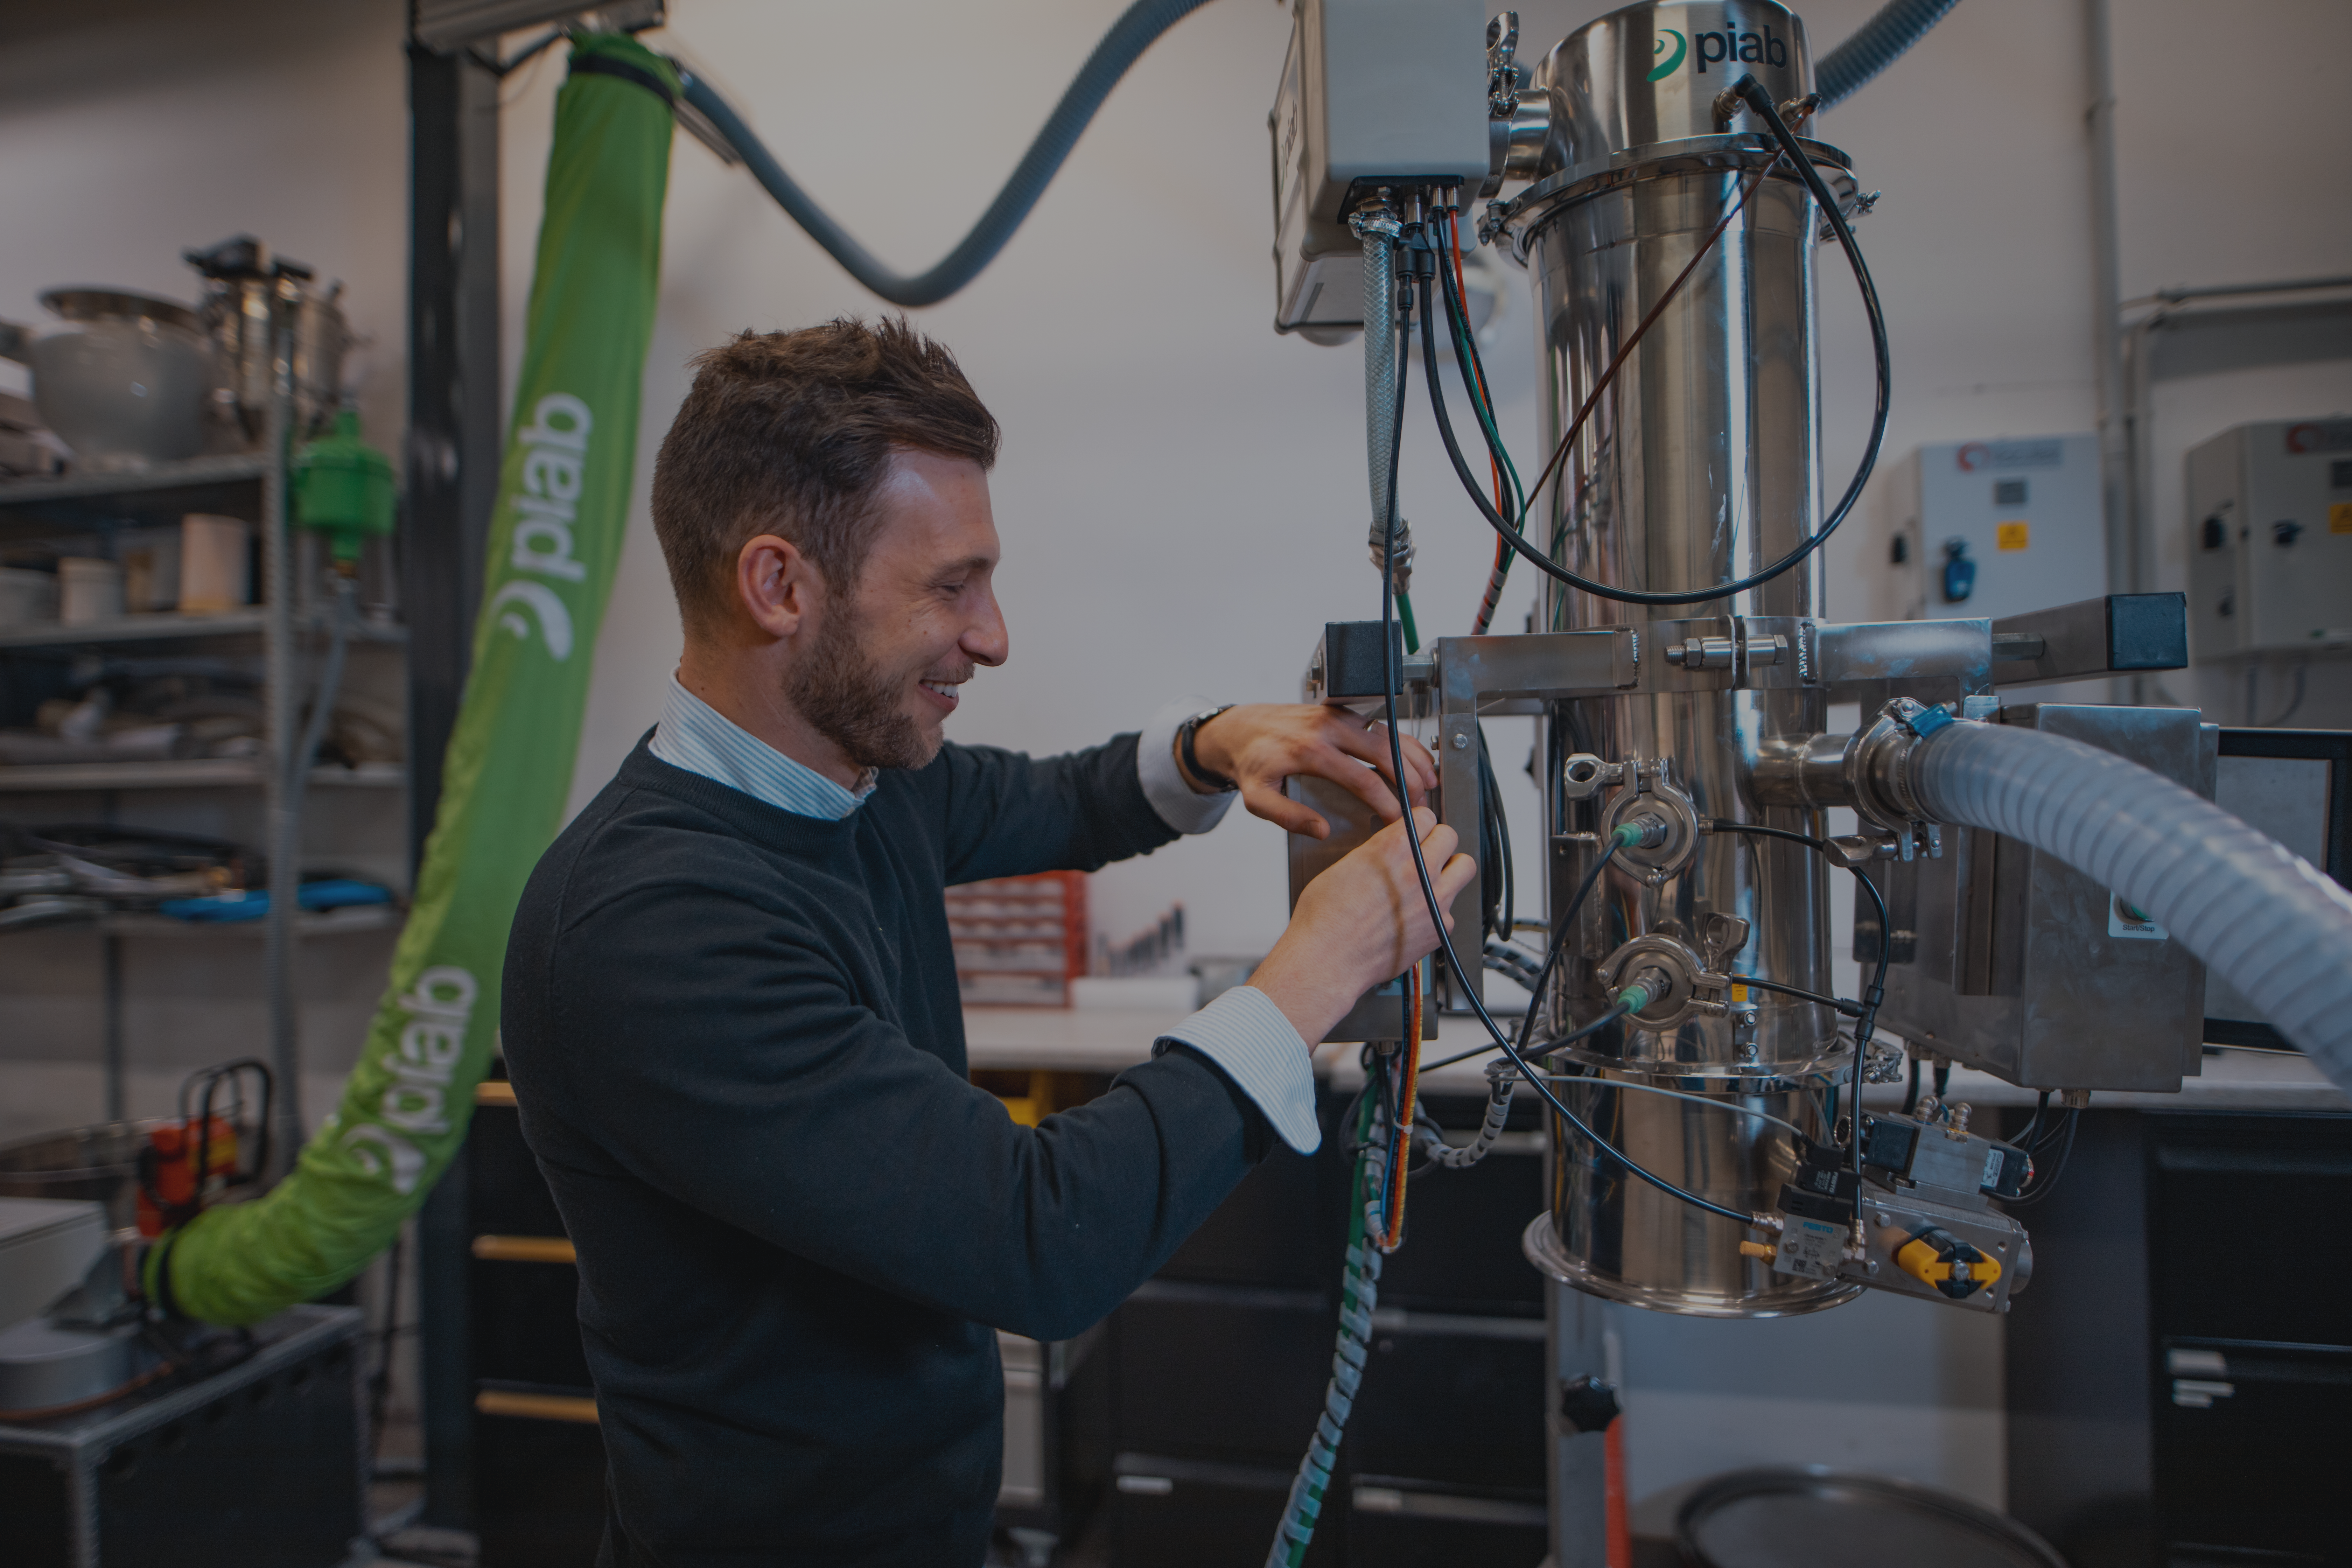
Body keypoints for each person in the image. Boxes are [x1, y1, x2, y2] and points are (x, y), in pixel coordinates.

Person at [500, 317, 1475, 1567]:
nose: (995, 635)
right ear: (779, 587)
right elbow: (1040, 1238)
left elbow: (1060, 799)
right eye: (950, 587)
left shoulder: (860, 780)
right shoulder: (654, 927)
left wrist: (1218, 742)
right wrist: (1319, 967)